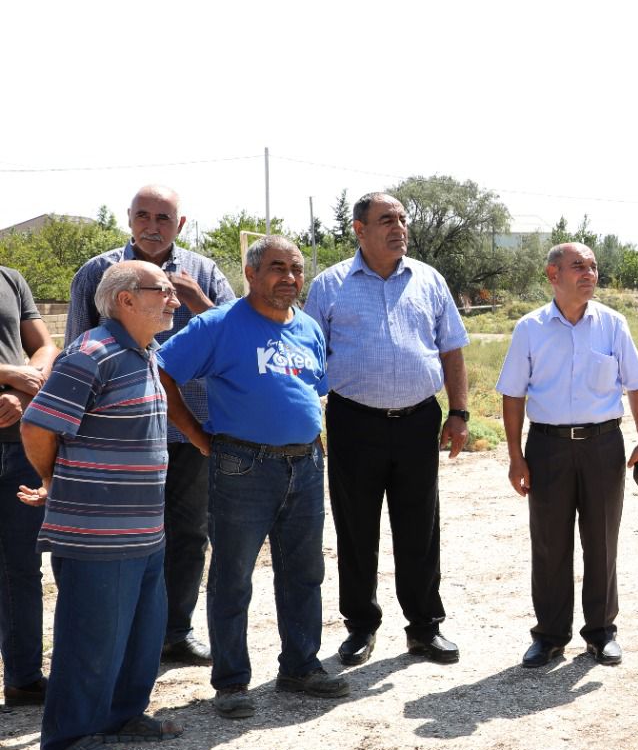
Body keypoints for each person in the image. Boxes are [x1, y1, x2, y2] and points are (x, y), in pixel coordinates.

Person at [159, 236, 348, 719]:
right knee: (232, 576)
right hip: (241, 466)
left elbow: (312, 389)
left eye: (296, 269)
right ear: (251, 273)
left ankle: (300, 666)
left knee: (304, 572)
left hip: (305, 465)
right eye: (277, 267)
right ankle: (231, 683)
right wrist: (197, 435)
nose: (289, 277)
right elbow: (162, 371)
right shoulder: (218, 324)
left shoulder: (308, 327)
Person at [19, 261, 184, 750]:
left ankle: (121, 715)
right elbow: (37, 426)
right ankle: (68, 738)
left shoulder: (145, 352)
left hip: (145, 531)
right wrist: (55, 481)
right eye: (163, 290)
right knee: (90, 640)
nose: (174, 299)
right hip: (96, 533)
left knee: (140, 634)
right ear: (126, 299)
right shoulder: (91, 353)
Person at [66, 184, 236, 666]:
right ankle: (123, 637)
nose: (152, 226)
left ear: (180, 225)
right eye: (143, 216)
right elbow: (77, 349)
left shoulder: (203, 272)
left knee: (188, 532)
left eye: (163, 218)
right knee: (122, 538)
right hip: (120, 433)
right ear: (129, 218)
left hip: (190, 429)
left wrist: (198, 300)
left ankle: (174, 632)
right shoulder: (98, 273)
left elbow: (236, 334)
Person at [302, 192, 471, 667]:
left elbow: (451, 349)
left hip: (419, 421)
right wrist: (310, 422)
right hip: (353, 422)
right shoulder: (329, 285)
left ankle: (425, 627)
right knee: (356, 529)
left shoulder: (429, 280)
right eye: (386, 220)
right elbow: (308, 357)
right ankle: (361, 626)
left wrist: (459, 412)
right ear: (359, 229)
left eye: (401, 219)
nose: (399, 227)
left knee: (420, 527)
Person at [497, 243, 638, 668]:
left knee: (602, 540)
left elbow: (637, 385)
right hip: (547, 447)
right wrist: (515, 456)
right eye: (578, 266)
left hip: (603, 445)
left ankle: (601, 632)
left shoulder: (613, 325)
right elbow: (512, 395)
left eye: (593, 267)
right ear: (553, 275)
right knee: (549, 543)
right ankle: (549, 635)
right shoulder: (530, 328)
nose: (589, 273)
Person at [1, 266, 58, 707]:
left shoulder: (11, 278)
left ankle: (24, 678)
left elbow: (45, 345)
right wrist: (9, 374)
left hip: (17, 444)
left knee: (21, 566)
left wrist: (28, 383)